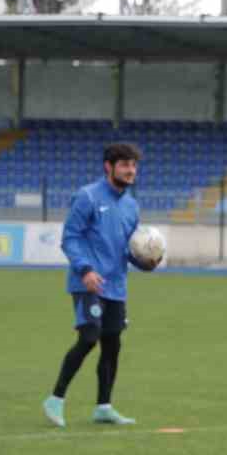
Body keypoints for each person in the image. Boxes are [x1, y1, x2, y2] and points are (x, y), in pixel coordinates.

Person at [42, 142, 158, 428]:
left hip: (116, 286)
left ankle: (103, 407)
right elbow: (70, 238)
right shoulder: (87, 197)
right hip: (89, 284)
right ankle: (55, 399)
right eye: (124, 165)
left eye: (133, 165)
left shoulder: (131, 206)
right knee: (89, 338)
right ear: (109, 167)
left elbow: (128, 247)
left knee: (112, 345)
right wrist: (85, 270)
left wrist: (144, 261)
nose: (131, 171)